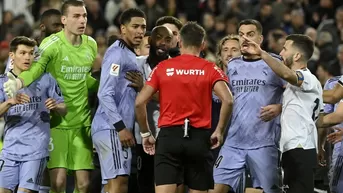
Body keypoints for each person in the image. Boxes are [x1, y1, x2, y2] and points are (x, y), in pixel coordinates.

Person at [3, 1, 99, 193]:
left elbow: (85, 77)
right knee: (58, 183)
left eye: (85, 16)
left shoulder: (91, 45)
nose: (82, 20)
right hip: (56, 124)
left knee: (84, 184)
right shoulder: (51, 45)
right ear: (64, 20)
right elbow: (35, 70)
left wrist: (102, 85)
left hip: (81, 122)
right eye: (76, 16)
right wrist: (17, 83)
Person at [135, 21, 233, 193]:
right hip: (199, 138)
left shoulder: (162, 67)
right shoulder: (210, 68)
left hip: (169, 137)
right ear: (202, 45)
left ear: (180, 42)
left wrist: (145, 133)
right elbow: (228, 100)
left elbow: (139, 102)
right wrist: (219, 131)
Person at [243, 33, 323, 193]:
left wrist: (262, 53)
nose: (281, 54)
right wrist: (281, 107)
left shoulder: (307, 77)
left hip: (299, 148)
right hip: (298, 148)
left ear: (297, 55)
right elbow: (318, 119)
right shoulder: (304, 86)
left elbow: (287, 74)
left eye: (285, 49)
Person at [212, 19, 285, 193]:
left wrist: (280, 107)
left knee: (269, 190)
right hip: (233, 142)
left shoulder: (275, 63)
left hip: (264, 143)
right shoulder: (233, 65)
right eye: (241, 34)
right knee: (214, 188)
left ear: (260, 39)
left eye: (250, 34)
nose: (245, 38)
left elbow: (296, 92)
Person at [0, 36, 66, 193]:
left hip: (35, 150)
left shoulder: (46, 79)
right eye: (22, 53)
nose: (27, 57)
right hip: (10, 149)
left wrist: (57, 106)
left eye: (30, 53)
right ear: (12, 56)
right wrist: (10, 102)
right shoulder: (3, 82)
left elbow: (64, 108)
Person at [91, 8, 146, 193]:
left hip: (112, 128)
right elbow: (104, 93)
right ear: (123, 29)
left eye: (143, 27)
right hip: (112, 128)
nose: (140, 31)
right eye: (135, 26)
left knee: (110, 185)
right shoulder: (117, 53)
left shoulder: (129, 53)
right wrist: (121, 128)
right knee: (119, 182)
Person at [127, 25, 173, 193]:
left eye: (167, 40)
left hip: (167, 135)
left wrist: (143, 88)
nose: (162, 43)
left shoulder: (175, 67)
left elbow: (172, 99)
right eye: (159, 38)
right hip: (142, 136)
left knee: (165, 184)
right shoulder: (136, 64)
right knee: (144, 183)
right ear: (150, 40)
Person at [5, 9, 63, 73]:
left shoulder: (63, 49)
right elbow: (9, 77)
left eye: (62, 26)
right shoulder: (21, 48)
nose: (60, 29)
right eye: (56, 25)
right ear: (42, 27)